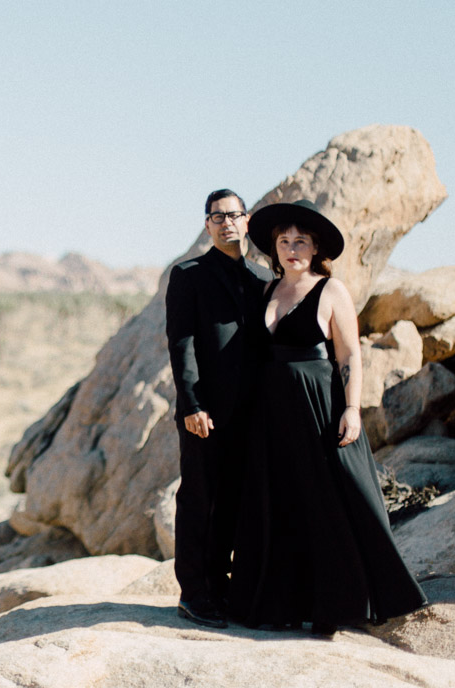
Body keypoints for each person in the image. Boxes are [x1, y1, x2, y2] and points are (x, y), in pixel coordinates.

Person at [230, 199, 427, 634]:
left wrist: (352, 409)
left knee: (332, 501)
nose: (292, 248)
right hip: (273, 414)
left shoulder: (330, 290)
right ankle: (282, 605)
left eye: (300, 241)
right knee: (281, 504)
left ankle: (341, 605)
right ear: (274, 248)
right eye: (284, 241)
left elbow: (349, 353)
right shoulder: (266, 291)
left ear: (315, 247)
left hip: (319, 406)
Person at [165, 188, 271, 629]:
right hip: (204, 412)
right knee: (199, 501)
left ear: (246, 221)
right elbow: (181, 342)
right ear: (207, 225)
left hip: (252, 414)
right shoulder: (188, 274)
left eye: (233, 214)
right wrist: (192, 403)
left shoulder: (264, 278)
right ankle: (194, 594)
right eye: (216, 216)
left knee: (234, 503)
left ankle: (222, 588)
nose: (226, 222)